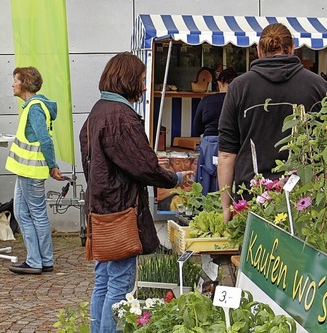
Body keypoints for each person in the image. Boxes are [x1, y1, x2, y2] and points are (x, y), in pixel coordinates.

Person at [79, 52, 186, 333]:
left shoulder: (98, 110)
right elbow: (143, 166)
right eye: (141, 79)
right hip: (120, 211)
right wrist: (173, 178)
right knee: (119, 283)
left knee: (103, 278)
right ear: (128, 80)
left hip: (100, 208)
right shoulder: (121, 117)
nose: (144, 86)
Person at [217, 23, 327, 222]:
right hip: (303, 199)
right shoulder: (317, 86)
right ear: (293, 48)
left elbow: (226, 153)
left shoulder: (239, 87)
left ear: (259, 51)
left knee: (255, 252)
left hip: (251, 197)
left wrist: (226, 206)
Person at [5, 66, 64, 275]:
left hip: (31, 171)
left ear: (25, 84)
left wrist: (53, 166)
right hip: (26, 171)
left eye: (15, 80)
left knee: (35, 214)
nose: (12, 84)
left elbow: (45, 140)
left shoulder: (35, 108)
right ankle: (40, 260)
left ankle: (37, 261)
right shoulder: (33, 106)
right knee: (22, 213)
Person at [193, 67, 238, 195]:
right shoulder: (238, 100)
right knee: (229, 180)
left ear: (219, 83)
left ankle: (205, 208)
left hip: (209, 144)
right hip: (232, 144)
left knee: (207, 180)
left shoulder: (206, 101)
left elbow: (197, 129)